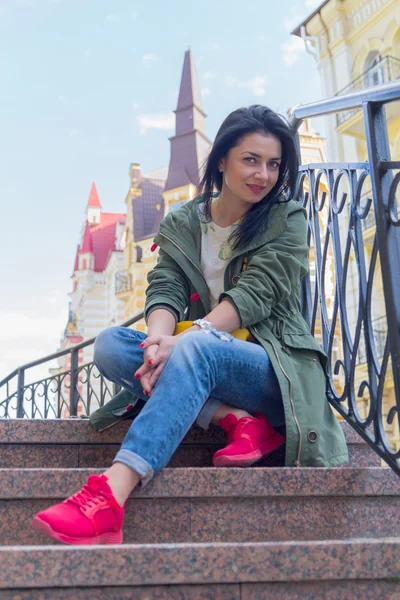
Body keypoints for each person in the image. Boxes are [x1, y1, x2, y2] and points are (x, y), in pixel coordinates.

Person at [31, 105, 348, 545]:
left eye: (273, 164)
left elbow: (258, 293)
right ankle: (234, 419)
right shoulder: (185, 221)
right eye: (250, 160)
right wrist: (160, 339)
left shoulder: (286, 218)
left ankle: (110, 493)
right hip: (204, 359)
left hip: (274, 370)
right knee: (111, 345)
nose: (264, 174)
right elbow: (165, 288)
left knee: (197, 346)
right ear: (222, 160)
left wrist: (191, 338)